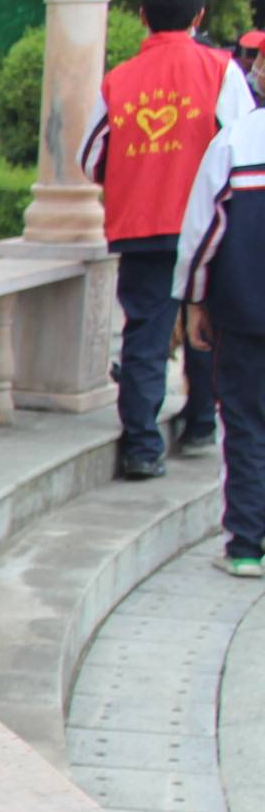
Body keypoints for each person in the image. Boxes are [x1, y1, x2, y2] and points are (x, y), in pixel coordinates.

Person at [83, 0, 256, 478]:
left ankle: (141, 446)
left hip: (140, 223)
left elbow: (91, 156)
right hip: (206, 228)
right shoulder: (222, 71)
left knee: (145, 334)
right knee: (207, 321)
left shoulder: (119, 79)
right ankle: (201, 422)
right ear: (199, 18)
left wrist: (135, 174)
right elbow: (241, 145)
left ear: (143, 17)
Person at [175, 100, 265, 579]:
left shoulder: (235, 140)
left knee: (247, 424)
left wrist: (192, 300)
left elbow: (203, 235)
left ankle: (247, 546)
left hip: (246, 311)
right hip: (245, 313)